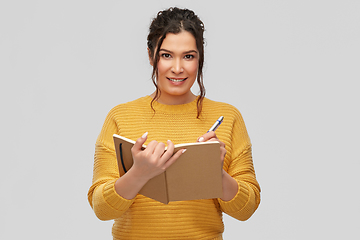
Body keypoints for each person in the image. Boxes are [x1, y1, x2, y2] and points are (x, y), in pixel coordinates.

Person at [88, 7, 260, 240]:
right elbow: (102, 208)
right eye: (166, 55)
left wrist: (215, 173)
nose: (177, 68)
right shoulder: (120, 116)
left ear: (200, 59)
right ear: (151, 56)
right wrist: (139, 173)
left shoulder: (228, 117)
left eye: (188, 56)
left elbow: (246, 209)